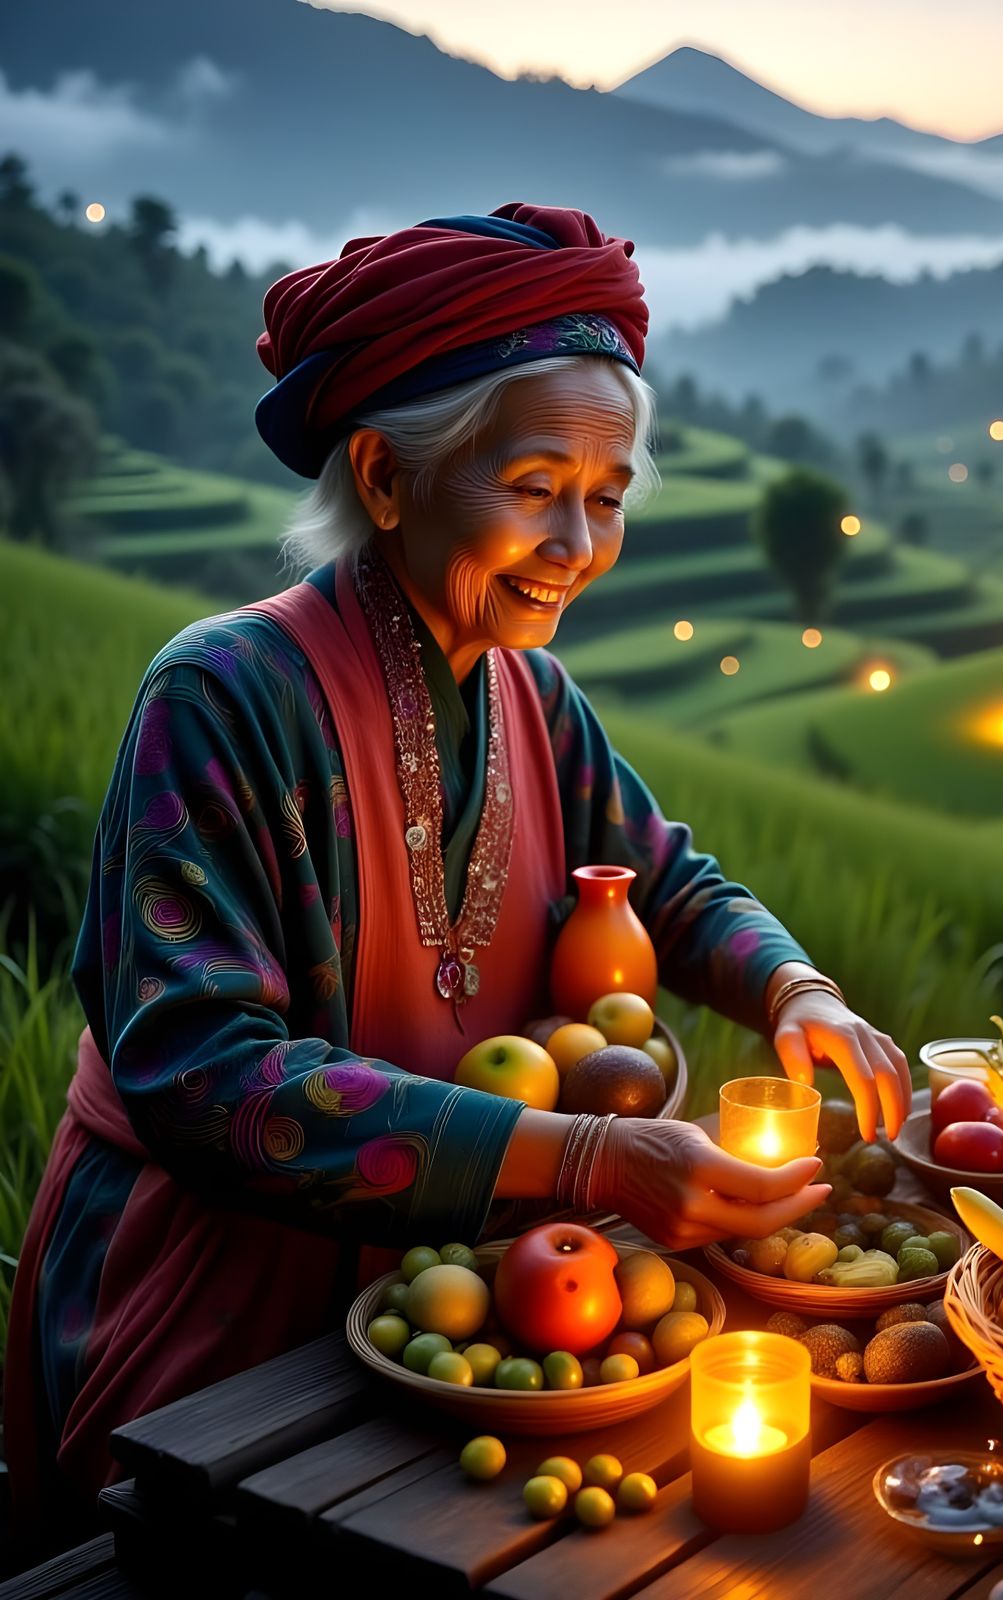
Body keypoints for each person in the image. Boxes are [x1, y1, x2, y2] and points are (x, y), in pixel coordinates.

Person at [4, 203, 911, 1540]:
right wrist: (590, 1159)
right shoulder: (222, 695)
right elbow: (200, 1071)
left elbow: (668, 880)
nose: (579, 545)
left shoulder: (531, 695)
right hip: (212, 1309)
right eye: (536, 488)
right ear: (385, 478)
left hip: (472, 1300)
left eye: (605, 501)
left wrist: (798, 994)